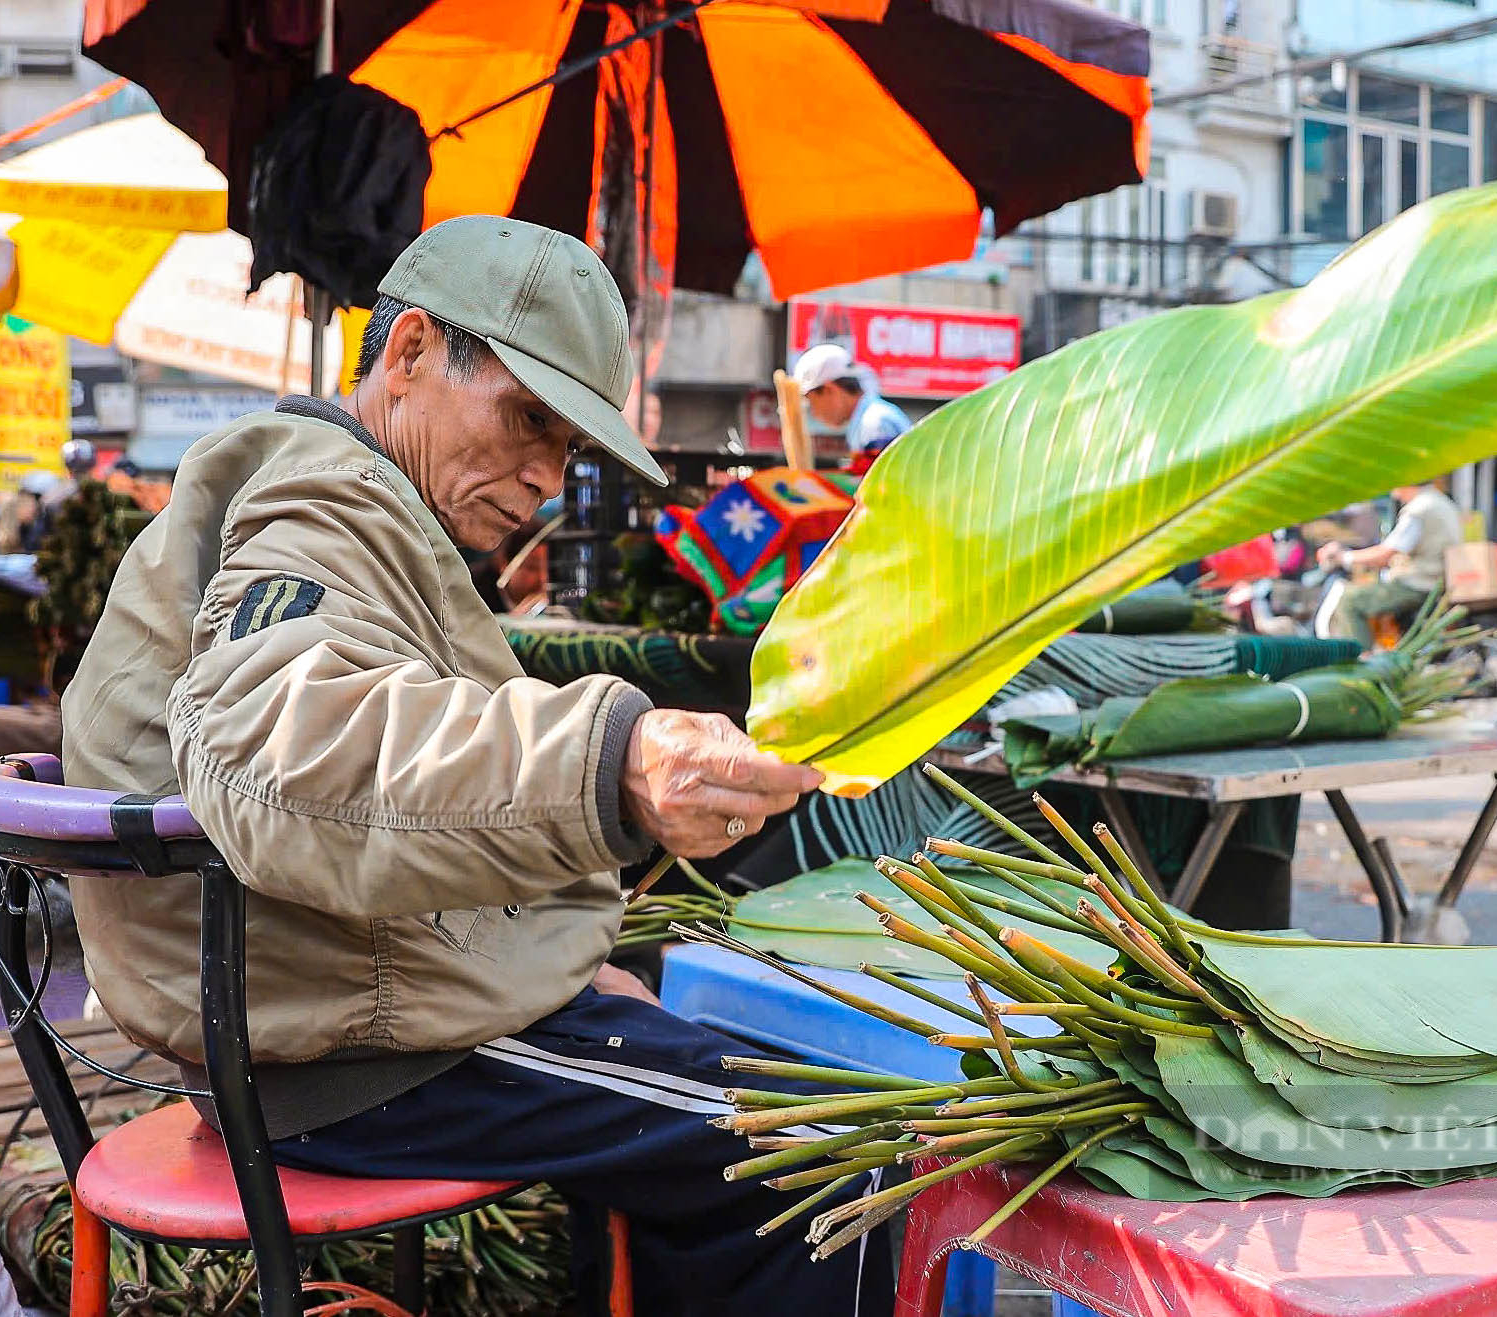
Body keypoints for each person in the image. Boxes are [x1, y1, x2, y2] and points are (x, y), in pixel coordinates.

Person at [61, 217, 892, 1317]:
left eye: (568, 447)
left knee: (727, 1082)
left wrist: (552, 958)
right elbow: (278, 754)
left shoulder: (349, 499)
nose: (546, 478)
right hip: (352, 1059)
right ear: (406, 355)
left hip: (334, 1012)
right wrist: (616, 761)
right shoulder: (325, 508)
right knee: (825, 1160)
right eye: (526, 420)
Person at [1324, 480, 1464, 647]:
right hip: (1439, 581)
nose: (1393, 492)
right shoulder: (1441, 502)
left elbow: (1385, 554)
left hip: (1419, 584)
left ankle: (1361, 664)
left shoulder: (1418, 509)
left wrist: (1344, 557)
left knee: (1350, 600)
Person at [791, 343, 910, 475]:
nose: (813, 412)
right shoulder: (865, 419)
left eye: (811, 402)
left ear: (829, 390)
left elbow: (879, 484)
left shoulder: (874, 423)